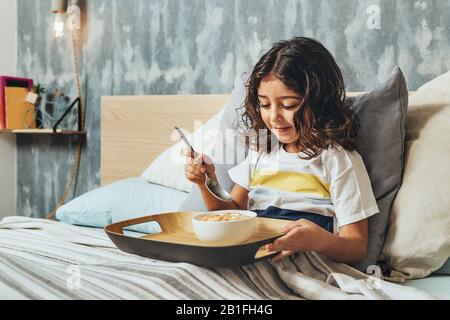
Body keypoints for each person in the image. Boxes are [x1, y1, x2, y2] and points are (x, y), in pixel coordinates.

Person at [182, 36, 379, 264]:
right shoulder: (262, 152)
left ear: (319, 102)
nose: (274, 117)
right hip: (253, 259)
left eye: (288, 105)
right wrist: (206, 182)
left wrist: (317, 240)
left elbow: (356, 247)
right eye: (264, 105)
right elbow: (231, 213)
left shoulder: (337, 160)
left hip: (306, 264)